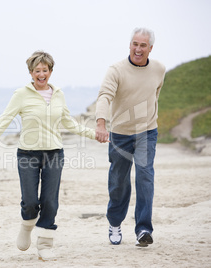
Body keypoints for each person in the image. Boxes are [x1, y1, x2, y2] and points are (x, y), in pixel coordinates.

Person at [0, 51, 96, 260]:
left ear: (50, 71)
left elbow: (69, 123)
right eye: (37, 70)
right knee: (30, 200)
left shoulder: (58, 94)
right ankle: (26, 225)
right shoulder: (21, 95)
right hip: (28, 154)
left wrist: (95, 134)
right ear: (31, 73)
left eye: (45, 70)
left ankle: (45, 244)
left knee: (50, 201)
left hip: (54, 153)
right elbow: (4, 120)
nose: (41, 74)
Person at [95, 27, 166, 247]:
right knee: (119, 182)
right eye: (135, 44)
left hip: (147, 132)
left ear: (150, 48)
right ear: (129, 45)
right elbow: (105, 96)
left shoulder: (159, 69)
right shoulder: (116, 70)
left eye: (143, 45)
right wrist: (101, 123)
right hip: (120, 134)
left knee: (145, 177)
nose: (138, 48)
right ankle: (115, 222)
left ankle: (143, 228)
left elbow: (155, 95)